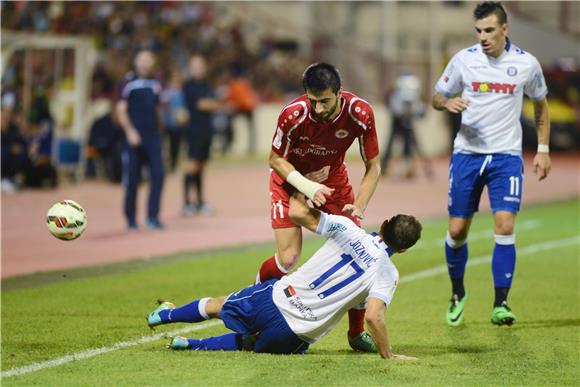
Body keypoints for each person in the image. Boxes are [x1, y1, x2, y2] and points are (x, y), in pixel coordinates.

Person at [147, 194, 422, 359]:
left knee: (219, 305)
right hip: (296, 333)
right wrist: (388, 353)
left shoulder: (348, 228)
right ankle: (191, 344)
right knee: (249, 344)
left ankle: (163, 316)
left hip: (277, 298)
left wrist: (308, 186)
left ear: (384, 224)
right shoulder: (388, 272)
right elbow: (373, 316)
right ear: (404, 249)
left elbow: (297, 213)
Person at [432, 2, 551, 326]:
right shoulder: (464, 60)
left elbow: (541, 106)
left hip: (506, 157)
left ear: (504, 29)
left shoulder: (526, 63)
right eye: (478, 31)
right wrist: (447, 102)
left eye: (488, 30)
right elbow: (436, 96)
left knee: (505, 226)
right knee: (457, 230)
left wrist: (542, 148)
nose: (483, 37)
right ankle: (458, 292)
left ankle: (501, 303)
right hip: (467, 155)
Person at [255, 63, 382, 352]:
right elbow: (275, 159)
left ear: (339, 94)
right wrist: (306, 186)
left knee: (358, 253)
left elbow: (373, 166)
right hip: (290, 180)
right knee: (288, 259)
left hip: (333, 180)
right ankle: (253, 295)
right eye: (313, 100)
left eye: (325, 101)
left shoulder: (360, 113)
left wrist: (359, 205)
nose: (318, 108)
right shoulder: (293, 114)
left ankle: (356, 332)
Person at [116, 50, 165, 230]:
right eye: (141, 60)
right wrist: (130, 131)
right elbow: (121, 110)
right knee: (132, 179)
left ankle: (153, 216)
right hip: (134, 138)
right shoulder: (128, 82)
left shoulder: (155, 83)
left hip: (153, 138)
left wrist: (161, 130)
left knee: (158, 176)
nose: (145, 63)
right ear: (136, 62)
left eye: (148, 60)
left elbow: (158, 109)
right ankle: (130, 219)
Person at [182, 54, 222, 216]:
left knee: (201, 167)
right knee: (192, 166)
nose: (198, 70)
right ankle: (186, 203)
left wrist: (212, 104)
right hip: (194, 130)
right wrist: (212, 104)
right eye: (195, 67)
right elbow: (202, 104)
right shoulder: (189, 86)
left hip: (206, 130)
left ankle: (199, 202)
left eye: (200, 66)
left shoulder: (206, 85)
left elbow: (213, 104)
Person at [381, 72, 432, 179]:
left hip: (406, 121)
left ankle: (407, 167)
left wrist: (416, 111)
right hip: (396, 121)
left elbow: (420, 112)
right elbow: (393, 107)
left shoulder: (412, 95)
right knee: (391, 144)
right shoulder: (394, 93)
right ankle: (384, 167)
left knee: (408, 143)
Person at [160, 69, 188, 173]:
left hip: (179, 124)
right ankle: (165, 165)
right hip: (168, 123)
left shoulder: (183, 92)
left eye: (178, 77)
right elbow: (162, 106)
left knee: (175, 146)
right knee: (165, 146)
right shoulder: (167, 92)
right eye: (174, 77)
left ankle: (173, 165)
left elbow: (185, 107)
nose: (176, 79)